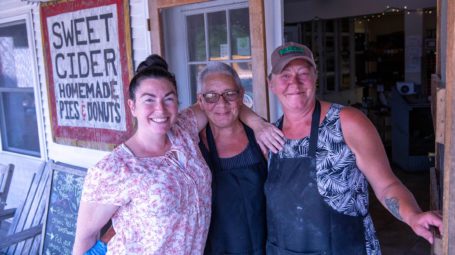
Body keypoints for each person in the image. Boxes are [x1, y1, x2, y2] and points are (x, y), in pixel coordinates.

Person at [73, 55, 282, 255]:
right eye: (149, 100)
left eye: (168, 99)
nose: (160, 109)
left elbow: (226, 104)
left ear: (178, 103)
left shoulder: (183, 130)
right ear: (132, 106)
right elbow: (85, 238)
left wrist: (258, 124)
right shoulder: (113, 168)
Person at [264, 42, 443, 255]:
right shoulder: (269, 137)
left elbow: (386, 185)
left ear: (316, 77)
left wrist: (412, 215)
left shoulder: (347, 122)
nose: (294, 82)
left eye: (303, 73)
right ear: (271, 84)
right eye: (285, 75)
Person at [197, 62, 267, 255]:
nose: (221, 104)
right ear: (200, 101)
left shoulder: (263, 137)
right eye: (211, 96)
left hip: (264, 247)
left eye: (230, 94)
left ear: (241, 96)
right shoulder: (193, 148)